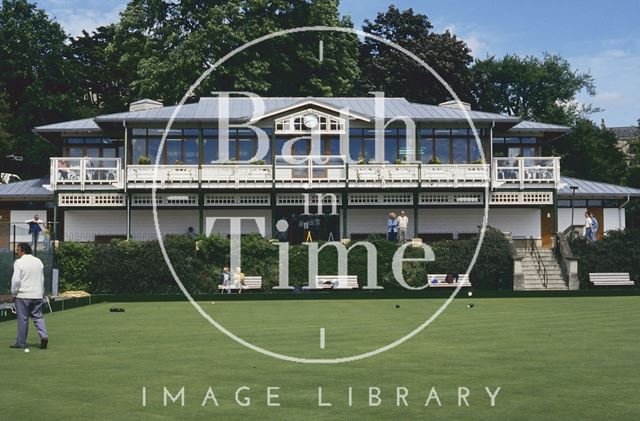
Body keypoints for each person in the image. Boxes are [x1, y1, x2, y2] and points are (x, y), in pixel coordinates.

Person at [10, 242, 49, 350]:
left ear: (22, 250)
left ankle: (21, 343)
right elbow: (42, 279)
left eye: (17, 249)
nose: (16, 251)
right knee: (38, 317)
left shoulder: (18, 262)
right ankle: (44, 336)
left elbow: (16, 280)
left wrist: (14, 293)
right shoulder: (38, 261)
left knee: (23, 319)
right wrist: (41, 292)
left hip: (23, 295)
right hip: (37, 295)